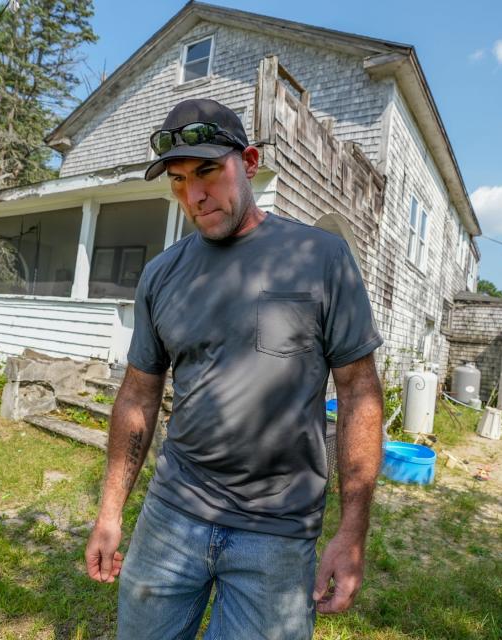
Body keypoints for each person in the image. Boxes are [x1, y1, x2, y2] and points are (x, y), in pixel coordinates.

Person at [85, 98, 384, 640]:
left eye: (207, 172)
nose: (193, 196)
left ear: (247, 162)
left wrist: (352, 532)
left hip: (278, 530)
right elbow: (138, 396)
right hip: (172, 515)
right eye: (177, 181)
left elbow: (360, 392)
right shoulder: (161, 275)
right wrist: (110, 511)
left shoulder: (320, 258)